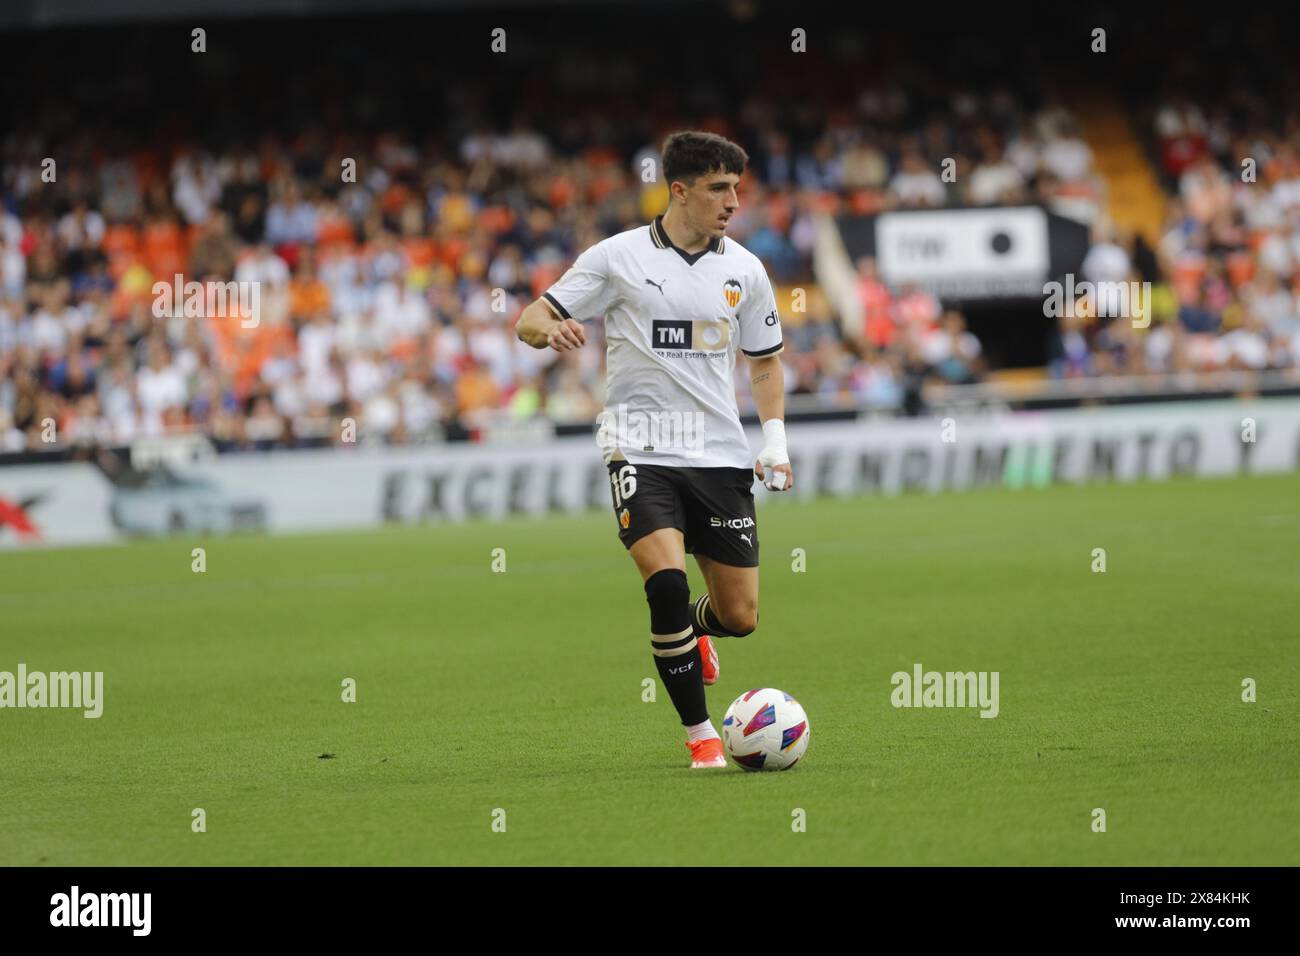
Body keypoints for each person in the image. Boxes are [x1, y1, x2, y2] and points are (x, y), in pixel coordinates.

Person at [515, 131, 794, 768]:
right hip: (639, 449)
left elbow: (765, 362)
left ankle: (699, 628)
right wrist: (548, 328)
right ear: (679, 189)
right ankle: (701, 739)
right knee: (665, 585)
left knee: (740, 615)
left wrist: (773, 442)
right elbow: (529, 316)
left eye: (737, 189)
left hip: (719, 454)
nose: (732, 201)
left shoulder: (745, 270)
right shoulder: (617, 258)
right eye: (719, 188)